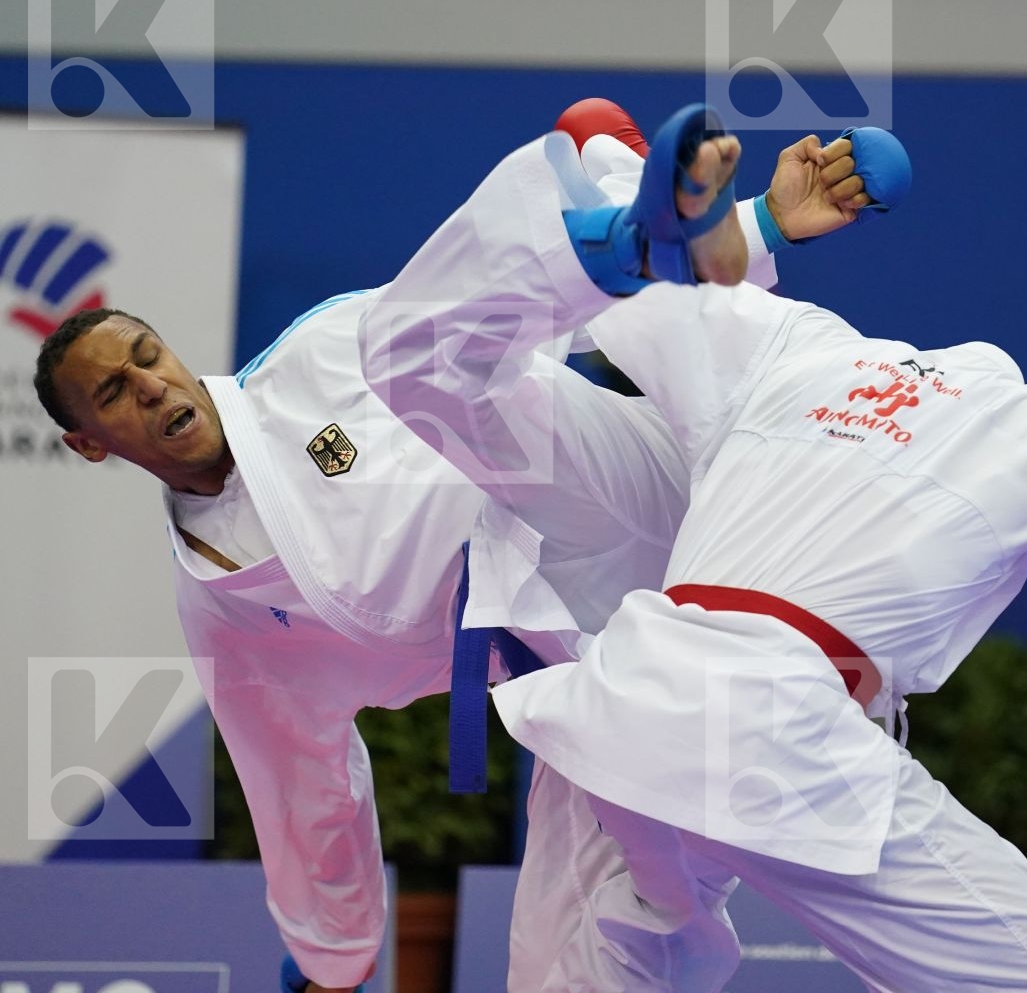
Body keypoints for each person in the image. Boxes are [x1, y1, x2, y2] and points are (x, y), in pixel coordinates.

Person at [363, 100, 1027, 990]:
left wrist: (631, 160)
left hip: (631, 698)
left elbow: (656, 268)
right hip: (785, 736)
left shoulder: (794, 350)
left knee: (639, 942)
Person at [30, 101, 886, 993]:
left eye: (149, 356)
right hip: (595, 659)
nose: (153, 386)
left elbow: (515, 321)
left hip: (610, 487)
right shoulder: (227, 614)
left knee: (431, 347)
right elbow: (302, 791)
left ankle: (670, 215)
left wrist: (756, 228)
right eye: (117, 393)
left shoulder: (319, 355)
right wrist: (336, 954)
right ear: (90, 442)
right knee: (566, 967)